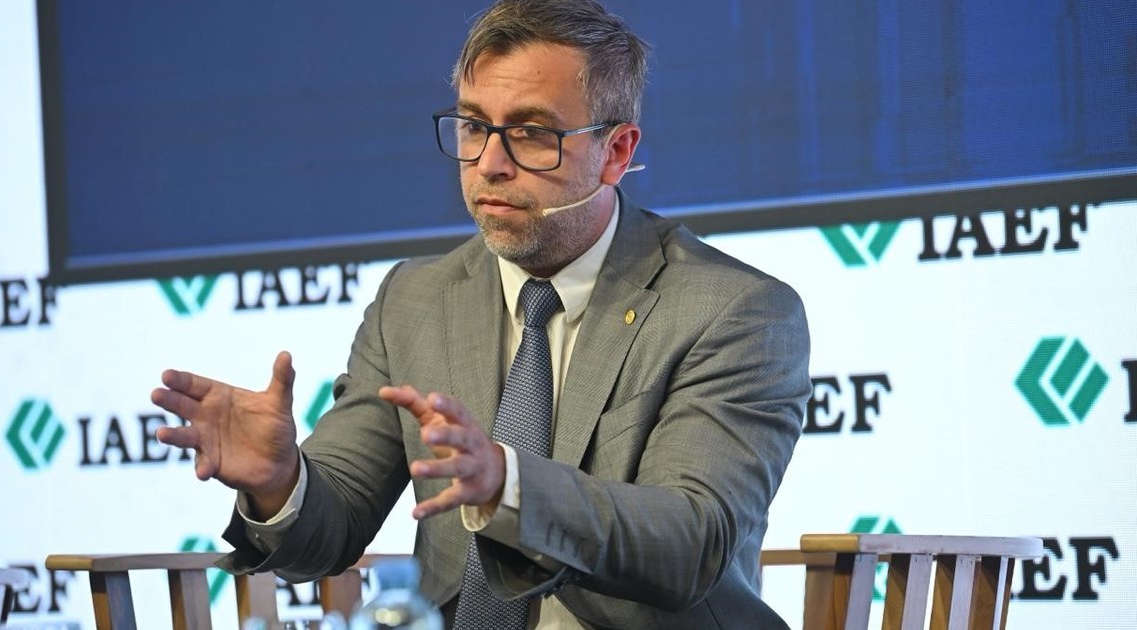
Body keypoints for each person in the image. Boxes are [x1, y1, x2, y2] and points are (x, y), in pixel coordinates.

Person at [152, 1, 810, 628]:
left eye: (530, 133)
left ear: (615, 152)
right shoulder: (414, 299)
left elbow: (691, 542)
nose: (490, 165)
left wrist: (508, 486)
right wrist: (282, 483)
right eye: (473, 127)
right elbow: (332, 528)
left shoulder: (733, 310)